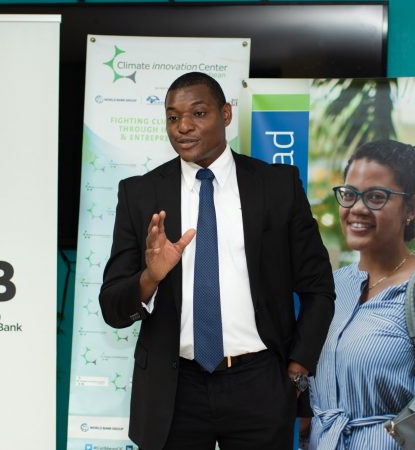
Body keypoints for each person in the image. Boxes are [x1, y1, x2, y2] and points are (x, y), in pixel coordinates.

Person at [99, 71, 336, 450]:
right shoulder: (140, 194)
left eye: (198, 113)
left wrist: (297, 370)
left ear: (225, 114)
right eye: (173, 117)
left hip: (260, 383)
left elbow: (318, 287)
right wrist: (150, 277)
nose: (183, 127)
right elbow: (112, 306)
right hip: (173, 390)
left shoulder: (277, 186)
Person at [308, 140, 415, 450]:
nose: (357, 208)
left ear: (411, 208)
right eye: (349, 194)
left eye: (376, 197)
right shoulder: (333, 286)